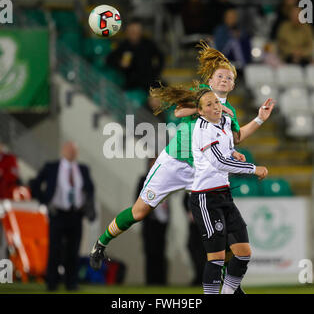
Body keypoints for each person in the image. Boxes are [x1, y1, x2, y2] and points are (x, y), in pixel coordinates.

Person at [89, 43, 274, 287]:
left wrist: (259, 119)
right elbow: (177, 113)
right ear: (210, 79)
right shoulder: (200, 96)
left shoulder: (229, 111)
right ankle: (100, 244)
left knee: (224, 219)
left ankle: (228, 281)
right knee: (140, 212)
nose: (224, 79)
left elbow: (235, 138)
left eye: (229, 77)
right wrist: (203, 108)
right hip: (175, 163)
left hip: (202, 169)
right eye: (220, 75)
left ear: (232, 84)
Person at [190, 89, 268, 294]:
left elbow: (226, 149)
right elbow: (219, 162)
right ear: (200, 111)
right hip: (205, 198)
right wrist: (253, 169)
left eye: (216, 102)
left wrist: (234, 151)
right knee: (215, 259)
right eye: (208, 104)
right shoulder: (202, 128)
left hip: (224, 194)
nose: (215, 106)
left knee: (243, 254)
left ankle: (228, 293)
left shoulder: (224, 121)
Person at [30, 141, 96, 291]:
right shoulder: (52, 167)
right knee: (55, 249)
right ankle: (52, 283)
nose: (72, 152)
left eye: (74, 150)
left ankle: (71, 283)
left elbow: (90, 190)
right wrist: (44, 201)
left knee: (73, 250)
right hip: (57, 214)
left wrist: (88, 208)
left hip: (76, 214)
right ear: (63, 150)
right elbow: (35, 184)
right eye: (69, 149)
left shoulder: (83, 169)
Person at [106, 18, 164, 92]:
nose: (134, 33)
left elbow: (160, 57)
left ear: (141, 32)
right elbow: (110, 59)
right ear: (127, 32)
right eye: (132, 31)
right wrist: (120, 63)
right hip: (130, 82)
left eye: (136, 31)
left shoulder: (148, 44)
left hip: (148, 80)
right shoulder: (123, 46)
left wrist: (156, 71)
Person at [137, 158, 170, 285]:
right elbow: (137, 201)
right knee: (150, 252)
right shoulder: (143, 180)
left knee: (161, 252)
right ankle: (151, 281)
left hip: (162, 223)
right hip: (150, 223)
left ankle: (161, 281)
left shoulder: (165, 180)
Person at [183, 192, 206, 285]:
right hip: (194, 226)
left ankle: (202, 277)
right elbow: (184, 200)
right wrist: (189, 211)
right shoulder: (190, 187)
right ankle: (199, 275)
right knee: (193, 248)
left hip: (204, 225)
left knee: (203, 251)